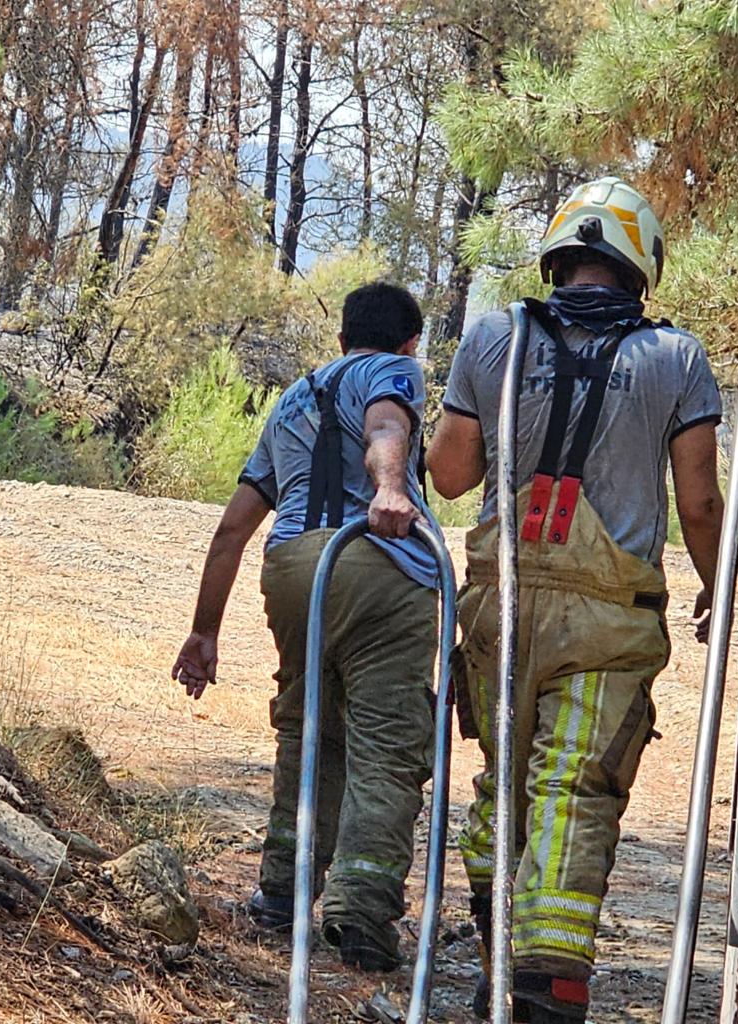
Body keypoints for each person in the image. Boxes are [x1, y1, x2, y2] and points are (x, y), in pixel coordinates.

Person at [428, 177, 724, 1023]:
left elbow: (450, 475)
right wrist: (720, 586)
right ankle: (546, 990)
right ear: (640, 268)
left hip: (500, 606)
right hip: (606, 623)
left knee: (507, 782)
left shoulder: (493, 336)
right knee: (571, 792)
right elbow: (701, 503)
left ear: (558, 257)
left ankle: (495, 956)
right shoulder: (677, 358)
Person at [173, 281, 440, 973]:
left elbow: (233, 528)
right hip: (374, 561)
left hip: (291, 569)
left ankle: (280, 895)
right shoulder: (395, 371)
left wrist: (204, 632)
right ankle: (361, 909)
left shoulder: (292, 401)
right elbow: (387, 425)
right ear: (410, 343)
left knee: (309, 731)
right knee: (386, 741)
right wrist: (390, 485)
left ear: (341, 336)